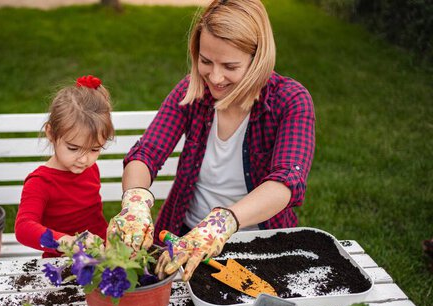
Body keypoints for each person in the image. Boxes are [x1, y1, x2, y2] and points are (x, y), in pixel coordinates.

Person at [108, 0, 315, 280]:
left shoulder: (291, 101)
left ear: (258, 59)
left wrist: (222, 223)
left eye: (230, 66)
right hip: (183, 239)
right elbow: (146, 153)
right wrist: (135, 201)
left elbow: (286, 182)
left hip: (262, 246)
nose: (215, 77)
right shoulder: (194, 92)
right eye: (206, 61)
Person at [16, 75, 114, 258]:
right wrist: (69, 243)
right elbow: (23, 228)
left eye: (94, 149)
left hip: (101, 256)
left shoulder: (89, 168)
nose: (84, 160)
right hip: (61, 264)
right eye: (73, 148)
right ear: (51, 133)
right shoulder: (40, 182)